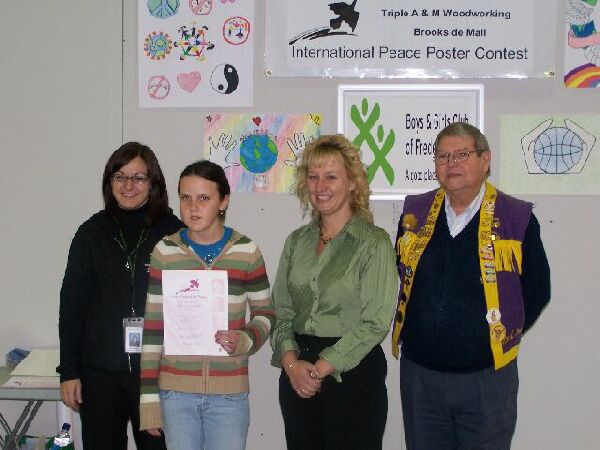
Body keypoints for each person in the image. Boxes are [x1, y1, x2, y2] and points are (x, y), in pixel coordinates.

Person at [392, 122, 551, 450]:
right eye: (443, 156)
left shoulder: (516, 217)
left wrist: (490, 336)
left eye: (462, 154)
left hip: (487, 379)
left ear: (485, 160)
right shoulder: (414, 214)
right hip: (421, 377)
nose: (451, 164)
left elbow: (537, 291)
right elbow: (403, 272)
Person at [270, 134, 398, 450]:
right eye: (313, 177)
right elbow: (281, 312)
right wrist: (292, 364)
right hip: (297, 371)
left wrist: (320, 369)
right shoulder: (296, 241)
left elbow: (376, 322)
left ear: (353, 183)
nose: (320, 186)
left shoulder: (374, 242)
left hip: (352, 375)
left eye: (331, 177)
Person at [139, 160, 274, 450]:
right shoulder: (166, 251)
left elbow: (266, 314)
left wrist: (246, 339)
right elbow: (152, 330)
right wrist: (149, 400)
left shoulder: (246, 251)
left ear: (223, 201)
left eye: (204, 198)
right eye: (185, 198)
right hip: (175, 395)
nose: (193, 207)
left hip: (229, 396)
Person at [58, 142, 183, 450]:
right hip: (100, 376)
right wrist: (69, 371)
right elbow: (72, 307)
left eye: (139, 177)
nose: (129, 186)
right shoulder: (90, 234)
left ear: (153, 183)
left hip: (159, 377)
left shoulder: (175, 234)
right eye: (120, 177)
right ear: (109, 181)